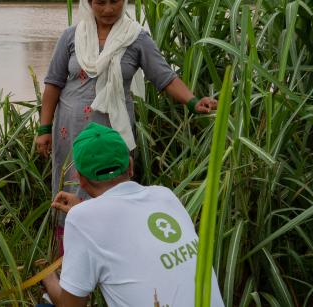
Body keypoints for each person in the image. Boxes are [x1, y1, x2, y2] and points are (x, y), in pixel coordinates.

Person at [35, 0, 218, 237]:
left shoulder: (136, 38)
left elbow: (164, 77)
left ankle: (113, 249)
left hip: (112, 133)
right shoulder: (71, 36)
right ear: (89, 3)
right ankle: (66, 255)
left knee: (112, 187)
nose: (108, 9)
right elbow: (53, 83)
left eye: (115, 1)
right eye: (100, 2)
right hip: (69, 132)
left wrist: (193, 102)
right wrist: (44, 128)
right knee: (70, 183)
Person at [41, 122, 225, 307]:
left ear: (79, 178)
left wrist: (47, 277)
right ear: (130, 166)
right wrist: (83, 208)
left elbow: (70, 305)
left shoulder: (81, 219)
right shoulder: (164, 195)